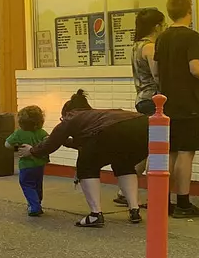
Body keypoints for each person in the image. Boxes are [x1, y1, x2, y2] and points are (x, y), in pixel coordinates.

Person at [17, 91, 148, 227]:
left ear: (66, 113)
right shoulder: (96, 115)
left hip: (111, 131)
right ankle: (134, 210)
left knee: (86, 166)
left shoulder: (72, 117)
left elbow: (52, 143)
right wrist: (66, 141)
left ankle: (95, 215)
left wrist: (31, 151)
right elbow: (89, 141)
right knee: (123, 164)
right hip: (144, 127)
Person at [155, 0, 199, 218]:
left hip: (167, 102)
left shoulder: (162, 38)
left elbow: (155, 70)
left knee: (170, 152)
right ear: (189, 12)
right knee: (186, 153)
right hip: (190, 102)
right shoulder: (191, 36)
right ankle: (183, 203)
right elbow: (195, 68)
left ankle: (164, 201)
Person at [112, 8, 165, 208]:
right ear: (157, 26)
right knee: (157, 149)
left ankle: (124, 191)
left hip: (141, 98)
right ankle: (155, 195)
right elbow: (157, 74)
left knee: (144, 149)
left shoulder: (136, 46)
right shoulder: (150, 47)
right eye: (163, 25)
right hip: (154, 100)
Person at [4, 105, 50, 217]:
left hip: (26, 164)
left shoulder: (19, 133)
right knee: (37, 184)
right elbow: (48, 143)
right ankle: (37, 202)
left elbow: (7, 144)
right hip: (40, 164)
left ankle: (34, 206)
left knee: (27, 184)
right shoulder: (42, 132)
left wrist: (17, 148)